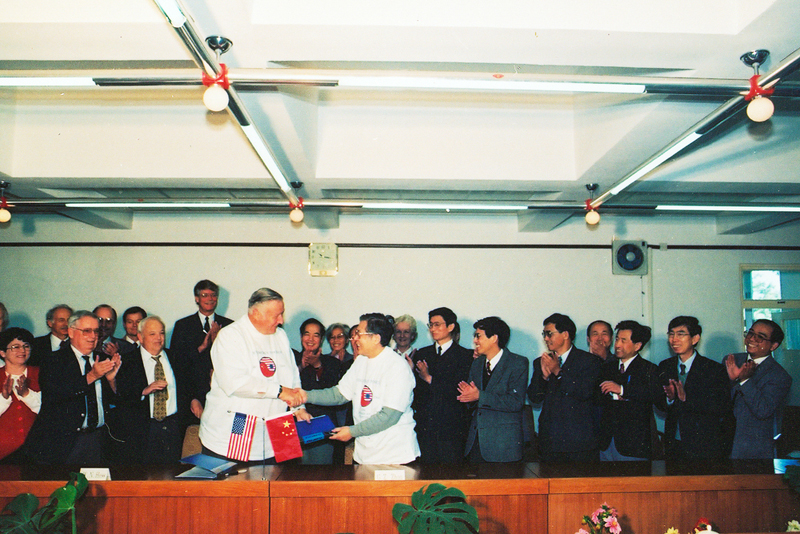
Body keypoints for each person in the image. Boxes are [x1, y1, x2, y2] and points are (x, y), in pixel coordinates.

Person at [198, 288, 309, 463]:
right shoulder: (230, 336)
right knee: (239, 478)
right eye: (276, 315)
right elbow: (235, 383)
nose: (281, 321)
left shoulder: (280, 335)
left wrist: (298, 407)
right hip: (238, 424)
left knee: (285, 477)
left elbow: (292, 374)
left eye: (282, 314)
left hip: (280, 425)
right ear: (256, 313)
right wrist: (280, 391)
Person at [301, 313, 419, 465]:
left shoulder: (397, 367)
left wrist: (352, 431)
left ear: (375, 338)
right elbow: (339, 394)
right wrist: (304, 396)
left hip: (394, 456)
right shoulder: (361, 361)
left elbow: (389, 416)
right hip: (364, 455)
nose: (354, 339)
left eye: (359, 334)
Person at [25, 311, 121, 465]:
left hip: (97, 440)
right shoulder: (53, 360)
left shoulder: (103, 359)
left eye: (96, 331)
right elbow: (54, 396)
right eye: (86, 331)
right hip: (65, 443)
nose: (93, 336)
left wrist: (111, 380)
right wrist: (92, 376)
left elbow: (115, 401)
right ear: (71, 332)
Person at [111, 316, 185, 464]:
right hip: (143, 430)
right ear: (140, 337)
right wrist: (143, 391)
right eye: (152, 334)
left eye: (161, 333)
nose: (159, 338)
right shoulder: (127, 361)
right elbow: (120, 397)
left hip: (172, 427)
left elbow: (187, 389)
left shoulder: (176, 357)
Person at [528, 313, 601, 462]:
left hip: (578, 442)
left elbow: (585, 392)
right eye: (544, 334)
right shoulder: (541, 361)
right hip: (549, 441)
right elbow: (534, 398)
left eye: (549, 334)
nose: (546, 338)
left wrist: (558, 372)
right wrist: (544, 378)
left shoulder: (589, 361)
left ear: (565, 334)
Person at [657, 316, 730, 460]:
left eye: (681, 334)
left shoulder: (713, 369)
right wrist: (670, 399)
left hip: (703, 444)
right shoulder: (665, 366)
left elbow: (721, 407)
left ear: (695, 339)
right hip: (674, 443)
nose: (674, 339)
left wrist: (686, 398)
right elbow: (659, 404)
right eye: (671, 334)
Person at [458, 316, 528, 463]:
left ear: (494, 338)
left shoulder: (517, 363)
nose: (475, 341)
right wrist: (467, 396)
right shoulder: (477, 364)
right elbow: (472, 403)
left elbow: (516, 402)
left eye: (478, 336)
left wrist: (479, 396)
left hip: (503, 446)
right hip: (476, 444)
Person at [724, 319, 792, 459]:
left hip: (752, 450)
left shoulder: (780, 376)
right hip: (723, 444)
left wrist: (745, 380)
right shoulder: (732, 360)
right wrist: (733, 380)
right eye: (751, 333)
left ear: (773, 346)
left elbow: (763, 410)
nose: (752, 339)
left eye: (760, 337)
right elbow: (720, 400)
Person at [412, 307, 473, 464]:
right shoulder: (422, 354)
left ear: (451, 327)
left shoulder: (465, 355)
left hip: (452, 427)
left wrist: (429, 378)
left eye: (437, 324)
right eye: (431, 325)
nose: (433, 329)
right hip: (425, 426)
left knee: (451, 472)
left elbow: (458, 390)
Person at [170, 280, 233, 422]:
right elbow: (177, 364)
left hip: (222, 396)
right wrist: (201, 347)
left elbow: (235, 362)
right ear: (197, 298)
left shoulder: (229, 326)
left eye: (213, 295)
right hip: (193, 397)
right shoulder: (183, 326)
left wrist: (218, 343)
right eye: (205, 295)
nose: (210, 299)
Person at [598, 321, 659, 461]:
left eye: (623, 340)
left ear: (637, 346)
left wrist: (622, 390)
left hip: (633, 446)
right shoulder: (607, 367)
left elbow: (652, 396)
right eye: (617, 339)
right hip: (606, 443)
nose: (617, 344)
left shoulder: (648, 369)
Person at [295, 318, 342, 464]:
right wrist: (301, 367)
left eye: (316, 335)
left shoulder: (332, 362)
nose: (310, 339)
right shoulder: (291, 358)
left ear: (321, 340)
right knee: (294, 472)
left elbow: (334, 393)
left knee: (320, 469)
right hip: (295, 424)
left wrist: (317, 366)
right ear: (301, 337)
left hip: (322, 425)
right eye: (307, 334)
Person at [0, 327, 41, 463]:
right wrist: (4, 398)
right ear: (2, 352)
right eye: (15, 347)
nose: (22, 350)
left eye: (26, 346)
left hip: (37, 450)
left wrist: (27, 394)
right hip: (3, 451)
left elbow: (51, 411)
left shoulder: (42, 374)